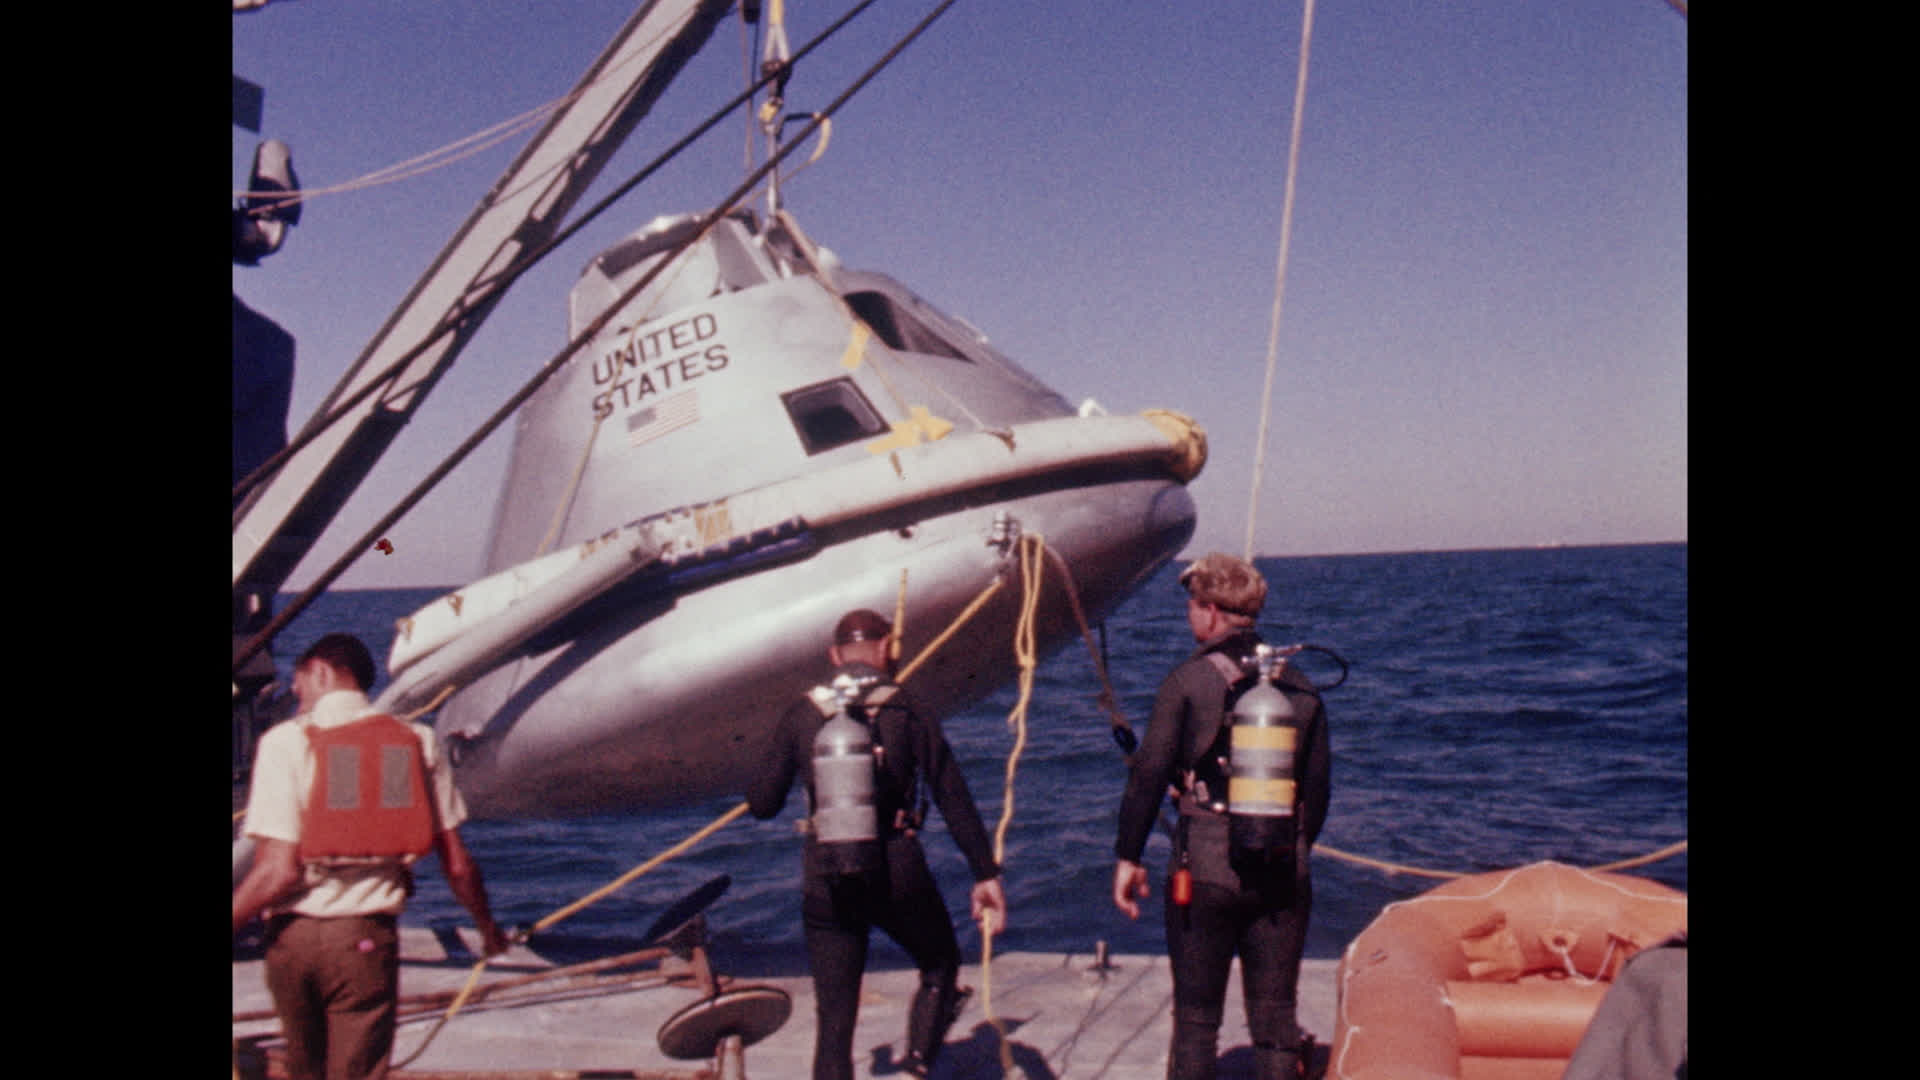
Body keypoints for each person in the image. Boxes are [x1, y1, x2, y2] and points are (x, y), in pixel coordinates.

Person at [232, 633, 509, 1080]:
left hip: (291, 944)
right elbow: (458, 866)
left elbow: (276, 872)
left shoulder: (284, 742)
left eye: (298, 681)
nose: (295, 693)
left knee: (305, 1070)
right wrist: (487, 928)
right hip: (362, 942)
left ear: (320, 672)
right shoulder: (416, 742)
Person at [747, 609, 1008, 1080]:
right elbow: (952, 796)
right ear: (888, 648)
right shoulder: (908, 707)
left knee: (835, 1021)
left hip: (825, 875)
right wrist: (984, 873)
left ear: (834, 656)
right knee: (939, 962)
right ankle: (916, 1067)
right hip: (896, 868)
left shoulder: (804, 711)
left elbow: (762, 804)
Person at [1111, 554, 1332, 1080]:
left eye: (1192, 604)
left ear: (1210, 611)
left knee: (1195, 1020)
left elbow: (1147, 776)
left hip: (1205, 869)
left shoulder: (1187, 681)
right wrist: (1289, 849)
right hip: (1282, 867)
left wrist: (1127, 857)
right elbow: (1318, 794)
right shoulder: (1300, 686)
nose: (1190, 615)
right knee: (1276, 1021)